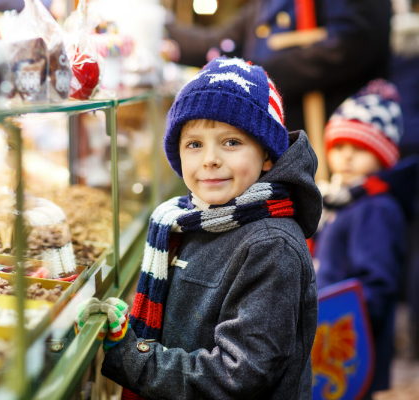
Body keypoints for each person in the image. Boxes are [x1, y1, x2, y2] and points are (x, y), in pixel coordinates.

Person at [96, 57, 322, 399]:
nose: (210, 159)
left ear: (266, 155)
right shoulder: (192, 220)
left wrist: (133, 356)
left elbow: (239, 375)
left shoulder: (271, 247)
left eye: (231, 142)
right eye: (194, 144)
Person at [311, 79, 416, 396]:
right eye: (339, 146)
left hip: (348, 342)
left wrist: (338, 320)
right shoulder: (341, 200)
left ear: (382, 154)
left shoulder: (376, 208)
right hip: (325, 334)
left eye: (359, 148)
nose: (346, 157)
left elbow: (375, 283)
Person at [166, 0, 392, 132]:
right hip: (276, 132)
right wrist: (159, 28)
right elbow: (220, 43)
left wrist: (254, 77)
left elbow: (350, 43)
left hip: (337, 136)